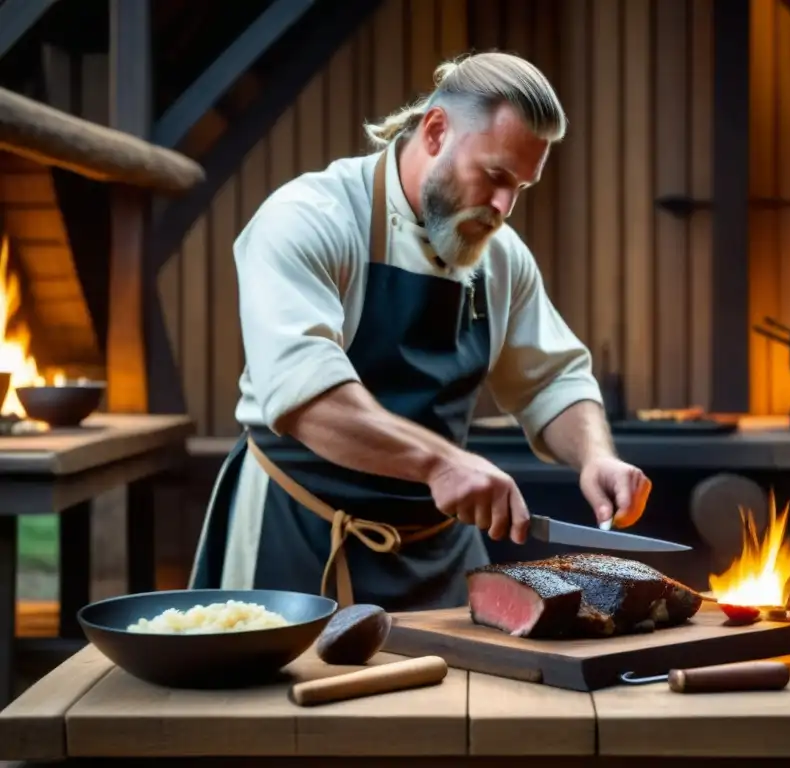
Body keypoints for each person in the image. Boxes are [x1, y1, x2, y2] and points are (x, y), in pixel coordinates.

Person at [188, 51, 653, 611]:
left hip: (441, 553)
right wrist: (442, 463)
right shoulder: (309, 218)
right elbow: (308, 398)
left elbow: (552, 380)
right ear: (435, 131)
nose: (504, 206)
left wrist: (595, 456)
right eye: (495, 175)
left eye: (521, 188)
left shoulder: (501, 257)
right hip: (300, 533)